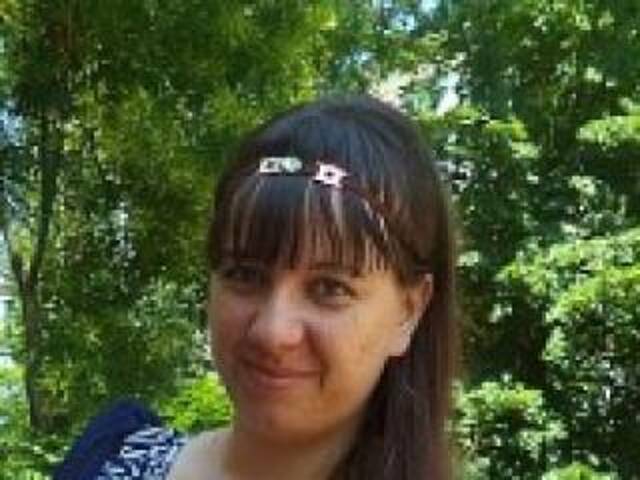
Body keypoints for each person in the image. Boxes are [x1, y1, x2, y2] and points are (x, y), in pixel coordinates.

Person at [54, 95, 459, 480]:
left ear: (409, 312)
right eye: (245, 275)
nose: (272, 332)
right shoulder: (110, 463)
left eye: (329, 288)